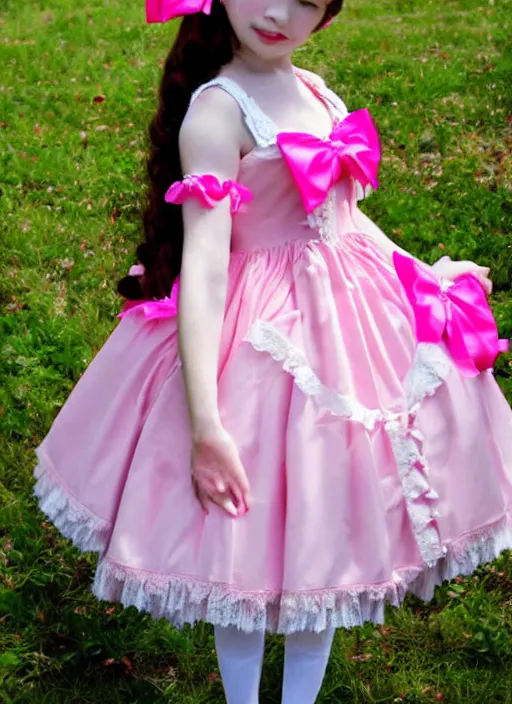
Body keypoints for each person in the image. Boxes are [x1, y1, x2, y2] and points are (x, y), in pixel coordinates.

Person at [32, 0, 512, 701]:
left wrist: (420, 271)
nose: (281, 12)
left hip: (348, 331)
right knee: (244, 541)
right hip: (262, 344)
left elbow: (345, 219)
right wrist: (205, 423)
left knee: (328, 531)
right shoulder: (218, 112)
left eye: (309, 1)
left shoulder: (317, 92)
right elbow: (206, 265)